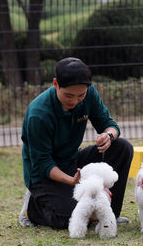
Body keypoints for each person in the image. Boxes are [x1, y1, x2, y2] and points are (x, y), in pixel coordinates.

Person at [18, 57, 134, 229]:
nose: (74, 101)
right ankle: (32, 207)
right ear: (56, 83)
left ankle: (109, 214)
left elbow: (111, 125)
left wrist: (108, 136)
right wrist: (70, 180)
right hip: (44, 175)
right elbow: (43, 164)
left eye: (81, 95)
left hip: (73, 162)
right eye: (69, 95)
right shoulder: (39, 114)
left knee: (122, 147)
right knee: (69, 219)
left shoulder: (90, 94)